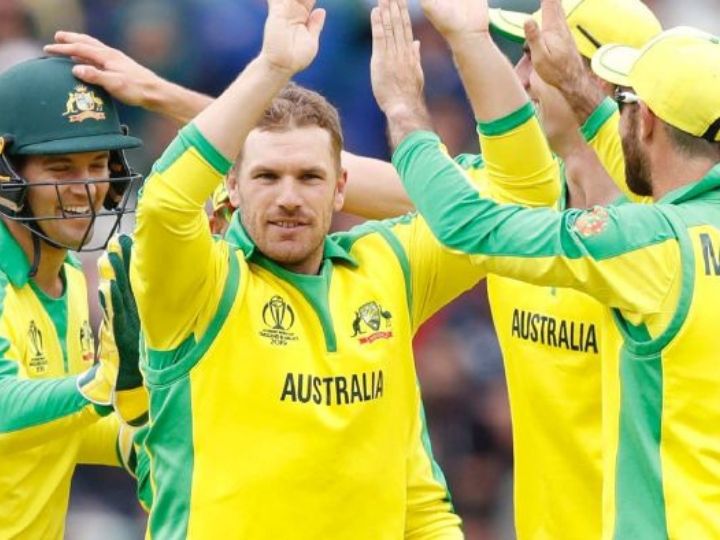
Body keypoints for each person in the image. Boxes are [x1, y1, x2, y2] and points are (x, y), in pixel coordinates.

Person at [44, 1, 661, 536]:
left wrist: (463, 48)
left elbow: (505, 202)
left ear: (340, 187)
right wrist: (260, 73)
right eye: (266, 177)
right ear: (231, 184)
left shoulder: (658, 231)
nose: (290, 197)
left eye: (535, 55)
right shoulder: (202, 282)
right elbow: (207, 185)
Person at [383, 1, 720, 533]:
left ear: (646, 120)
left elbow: (465, 223)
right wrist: (575, 85)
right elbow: (632, 164)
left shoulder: (646, 244)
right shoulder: (665, 229)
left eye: (627, 103)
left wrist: (404, 110)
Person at [0, 56, 144, 538]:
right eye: (61, 169)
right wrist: (100, 384)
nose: (85, 188)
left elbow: (56, 428)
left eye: (98, 164)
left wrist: (145, 443)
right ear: (7, 174)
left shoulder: (71, 278)